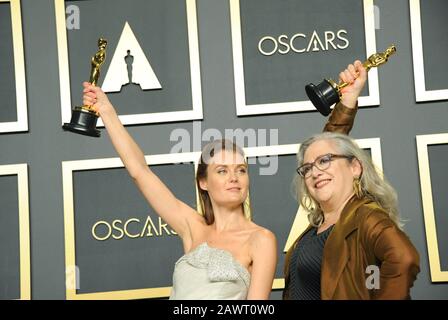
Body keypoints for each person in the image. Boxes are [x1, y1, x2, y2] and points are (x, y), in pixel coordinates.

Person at [82, 60, 364, 299]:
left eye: (241, 170)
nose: (234, 178)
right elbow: (139, 171)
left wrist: (348, 103)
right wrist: (106, 111)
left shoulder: (260, 239)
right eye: (222, 170)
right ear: (203, 182)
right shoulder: (190, 227)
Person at [283, 132, 421, 300]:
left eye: (324, 161)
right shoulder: (314, 229)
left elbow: (404, 258)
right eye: (307, 168)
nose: (315, 172)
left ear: (355, 167)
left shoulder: (367, 217)